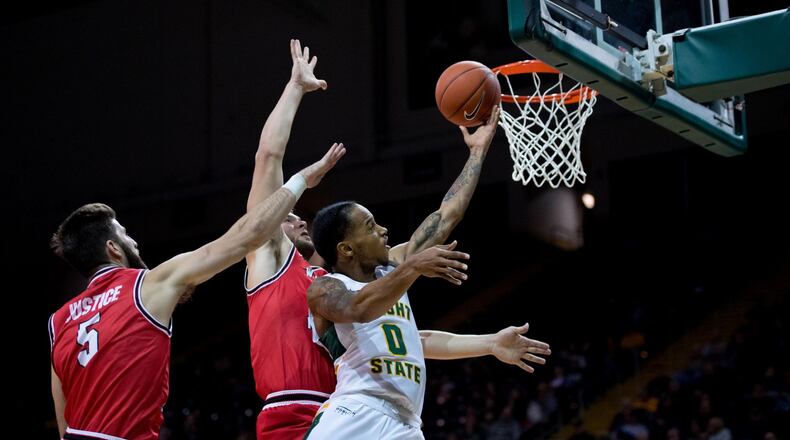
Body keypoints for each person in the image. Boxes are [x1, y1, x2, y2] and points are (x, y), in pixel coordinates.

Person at [243, 39, 472, 440]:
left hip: (350, 407)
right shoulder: (271, 259)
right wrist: (295, 89)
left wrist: (476, 153)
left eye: (301, 214)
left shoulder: (353, 276)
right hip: (293, 411)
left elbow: (438, 224)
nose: (295, 217)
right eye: (286, 214)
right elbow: (268, 158)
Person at [47, 143, 345, 440]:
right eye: (125, 235)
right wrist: (301, 180)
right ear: (113, 248)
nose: (134, 242)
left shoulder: (58, 321)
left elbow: (64, 420)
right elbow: (247, 237)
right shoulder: (144, 284)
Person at [302, 114, 551, 439]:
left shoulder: (392, 269)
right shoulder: (325, 288)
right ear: (346, 249)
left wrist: (477, 152)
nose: (383, 230)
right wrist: (413, 266)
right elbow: (359, 309)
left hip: (406, 424)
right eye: (370, 226)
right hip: (356, 413)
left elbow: (446, 217)